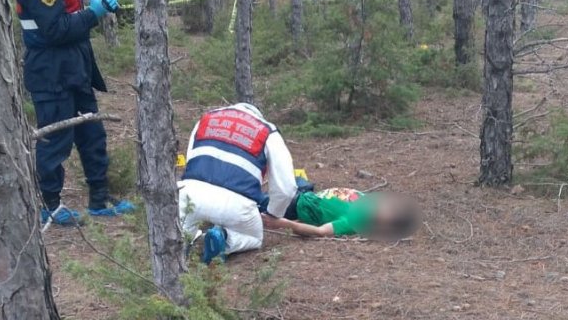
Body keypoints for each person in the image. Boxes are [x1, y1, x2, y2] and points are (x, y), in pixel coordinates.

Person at [14, 0, 135, 225]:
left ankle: (99, 199)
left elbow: (68, 12)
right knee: (55, 140)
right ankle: (50, 207)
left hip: (75, 67)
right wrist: (93, 14)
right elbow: (55, 29)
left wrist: (95, 4)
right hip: (50, 71)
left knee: (92, 134)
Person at [178, 103, 298, 261]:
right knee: (254, 237)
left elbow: (191, 160)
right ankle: (223, 239)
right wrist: (274, 213)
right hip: (236, 204)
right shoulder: (268, 131)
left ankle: (185, 243)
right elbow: (287, 188)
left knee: (180, 230)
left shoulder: (206, 119)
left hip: (188, 192)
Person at [263, 187, 419, 241]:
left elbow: (320, 231)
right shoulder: (369, 201)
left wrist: (285, 224)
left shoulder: (354, 223)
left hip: (292, 206)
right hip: (302, 192)